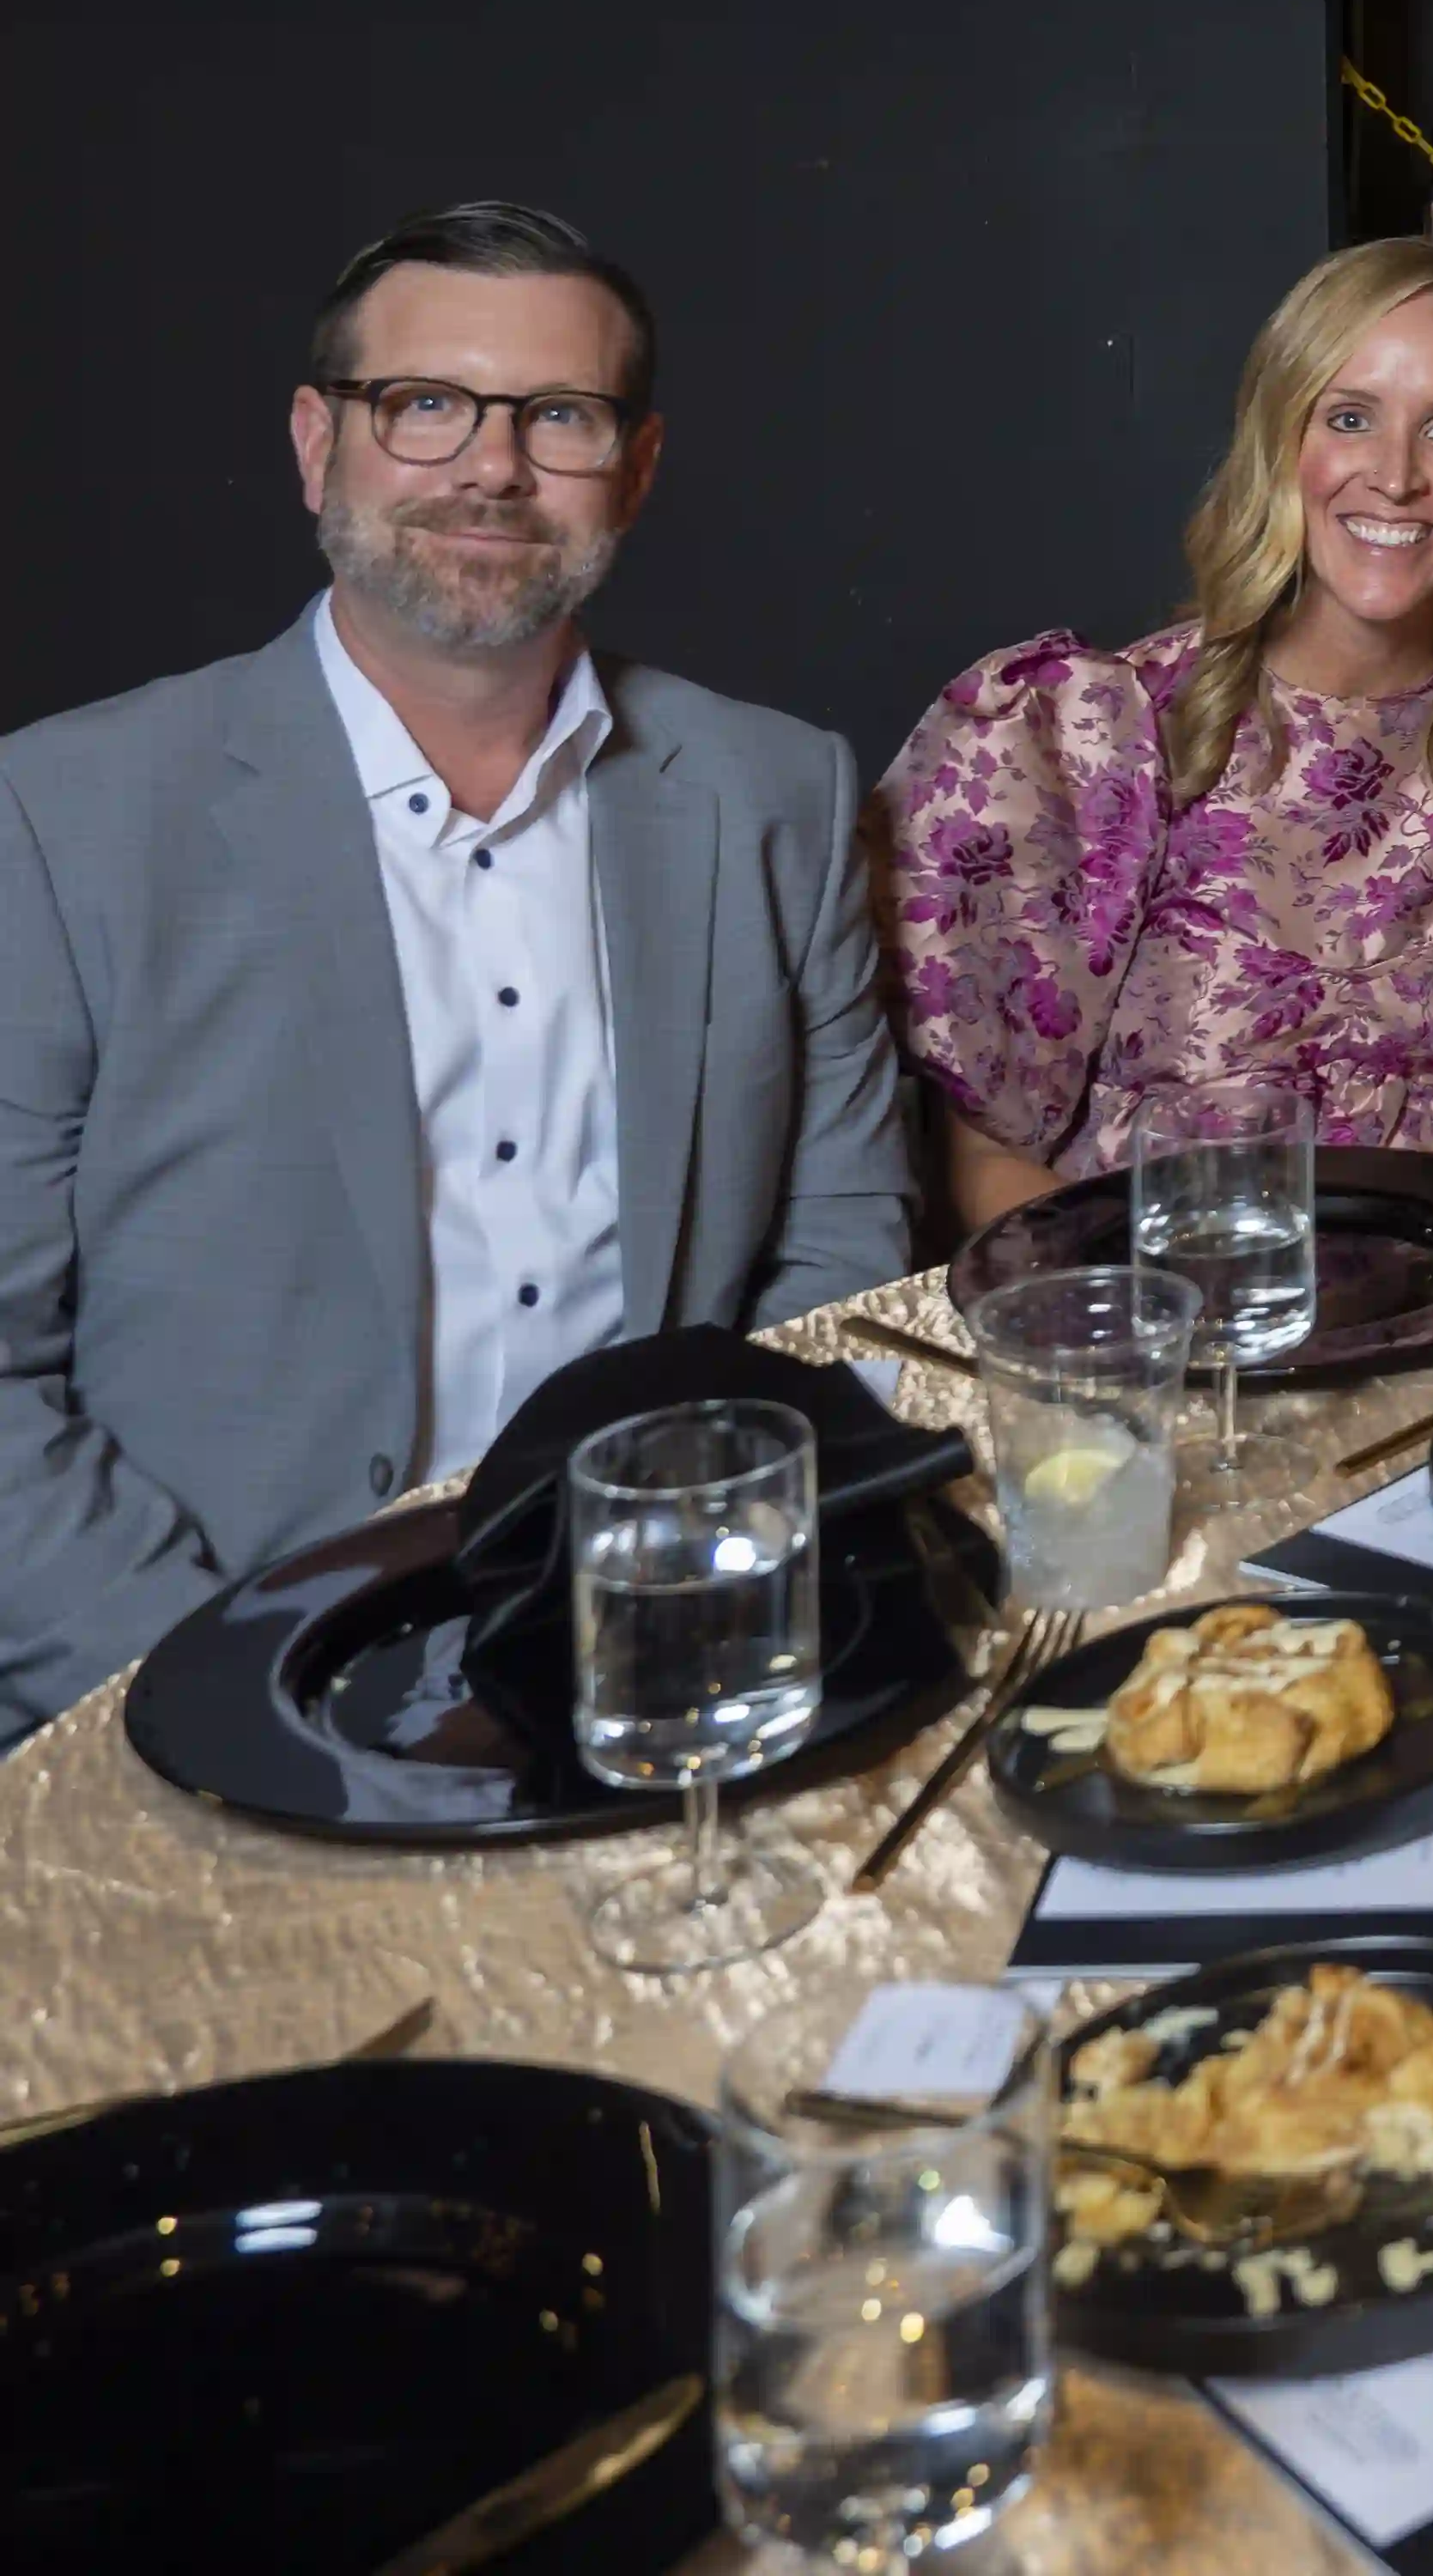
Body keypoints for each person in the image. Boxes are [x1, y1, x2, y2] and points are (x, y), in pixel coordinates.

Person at [0, 203, 910, 1728]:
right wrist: (216, 1689)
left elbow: (842, 1247)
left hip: (654, 1650)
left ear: (637, 467)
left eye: (558, 415)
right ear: (317, 443)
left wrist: (690, 1578)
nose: (491, 466)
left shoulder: (777, 797)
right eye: (424, 406)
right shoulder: (60, 819)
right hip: (193, 1674)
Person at [878, 237, 1433, 1228]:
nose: (1395, 477)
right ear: (1281, 448)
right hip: (1171, 1320)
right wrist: (1127, 1323)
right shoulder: (1088, 734)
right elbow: (980, 1150)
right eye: (1350, 418)